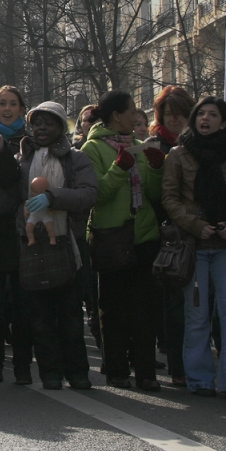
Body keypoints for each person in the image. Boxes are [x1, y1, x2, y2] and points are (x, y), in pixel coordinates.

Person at [0, 101, 98, 390]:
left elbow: (89, 194)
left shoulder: (76, 159)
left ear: (61, 127)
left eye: (48, 123)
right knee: (40, 319)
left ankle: (77, 373)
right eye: (36, 123)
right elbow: (9, 201)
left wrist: (53, 197)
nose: (41, 129)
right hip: (32, 247)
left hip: (68, 245)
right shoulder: (22, 160)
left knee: (71, 317)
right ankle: (50, 373)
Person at [162, 96, 226, 399]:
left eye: (212, 115)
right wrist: (196, 225)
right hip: (194, 247)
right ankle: (200, 378)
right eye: (200, 114)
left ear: (224, 122)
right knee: (197, 314)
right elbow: (171, 199)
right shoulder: (178, 155)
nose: (205, 119)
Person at [81, 89, 166, 390]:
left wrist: (156, 168)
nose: (136, 115)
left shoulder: (140, 145)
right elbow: (98, 195)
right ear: (116, 115)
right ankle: (116, 369)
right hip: (111, 236)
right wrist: (120, 167)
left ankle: (146, 372)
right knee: (113, 308)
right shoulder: (92, 149)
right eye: (131, 111)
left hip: (144, 235)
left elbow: (154, 195)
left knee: (144, 309)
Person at [0, 85, 33, 383]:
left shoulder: (31, 141)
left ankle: (24, 366)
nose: (8, 108)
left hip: (25, 231)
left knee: (24, 308)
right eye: (2, 103)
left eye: (14, 103)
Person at [146, 85, 196, 386]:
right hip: (165, 234)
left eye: (180, 115)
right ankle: (177, 365)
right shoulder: (154, 145)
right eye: (169, 114)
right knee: (173, 303)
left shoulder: (198, 145)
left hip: (196, 230)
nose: (175, 121)